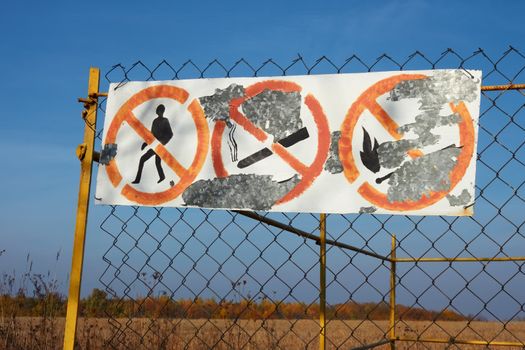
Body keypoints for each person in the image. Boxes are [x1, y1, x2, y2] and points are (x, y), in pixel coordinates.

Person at [132, 104, 173, 184]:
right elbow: (151, 135)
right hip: (155, 145)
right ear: (157, 112)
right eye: (158, 111)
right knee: (157, 162)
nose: (159, 112)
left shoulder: (165, 121)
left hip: (160, 145)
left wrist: (163, 142)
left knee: (143, 159)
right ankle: (162, 176)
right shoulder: (155, 121)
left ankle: (138, 179)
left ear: (163, 112)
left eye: (161, 111)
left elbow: (170, 134)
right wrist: (145, 143)